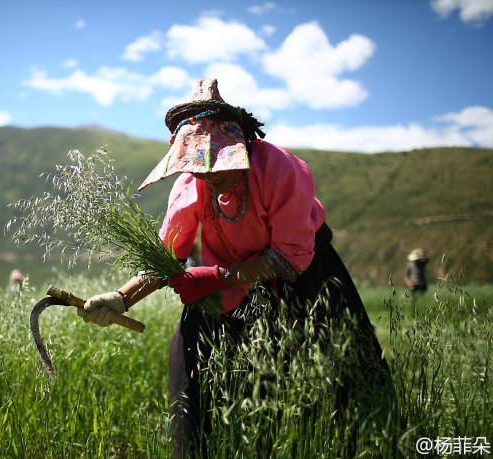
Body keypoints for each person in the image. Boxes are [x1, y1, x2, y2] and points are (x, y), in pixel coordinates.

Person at [77, 79, 394, 457]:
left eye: (218, 164)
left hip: (306, 276)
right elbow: (166, 261)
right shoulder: (190, 186)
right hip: (222, 283)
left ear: (240, 147)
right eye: (199, 167)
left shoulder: (278, 168)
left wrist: (218, 276)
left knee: (341, 374)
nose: (209, 175)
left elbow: (290, 259)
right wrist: (121, 298)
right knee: (191, 364)